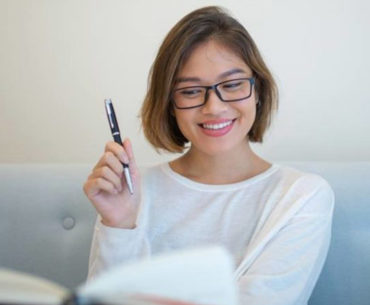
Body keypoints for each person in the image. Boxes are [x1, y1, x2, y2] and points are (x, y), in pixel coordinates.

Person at [83, 6, 334, 305]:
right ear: (169, 103)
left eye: (232, 85)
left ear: (259, 91)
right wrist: (119, 224)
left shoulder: (301, 196)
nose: (213, 107)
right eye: (190, 91)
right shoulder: (129, 192)